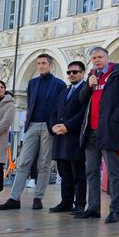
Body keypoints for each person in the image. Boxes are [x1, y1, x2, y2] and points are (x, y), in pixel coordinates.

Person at [0, 53, 66, 210]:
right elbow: (30, 104)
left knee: (44, 164)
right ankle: (14, 198)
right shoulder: (32, 83)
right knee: (23, 162)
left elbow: (62, 107)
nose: (41, 66)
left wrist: (57, 125)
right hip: (33, 125)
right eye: (39, 63)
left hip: (49, 127)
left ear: (51, 65)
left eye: (44, 63)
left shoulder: (59, 84)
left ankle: (38, 198)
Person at [75, 47, 119, 223]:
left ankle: (114, 211)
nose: (97, 60)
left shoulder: (118, 74)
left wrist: (114, 118)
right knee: (91, 171)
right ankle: (93, 208)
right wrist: (88, 85)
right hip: (90, 131)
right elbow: (82, 99)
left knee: (113, 173)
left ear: (107, 57)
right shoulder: (92, 76)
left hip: (108, 130)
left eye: (100, 57)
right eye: (94, 58)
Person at [49, 61, 88, 214]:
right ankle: (66, 202)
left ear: (83, 73)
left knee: (78, 174)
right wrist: (53, 126)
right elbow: (54, 111)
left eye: (75, 72)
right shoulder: (64, 92)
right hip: (60, 138)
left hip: (74, 137)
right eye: (69, 72)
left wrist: (68, 126)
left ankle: (79, 204)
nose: (71, 75)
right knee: (64, 173)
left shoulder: (86, 90)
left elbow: (84, 113)